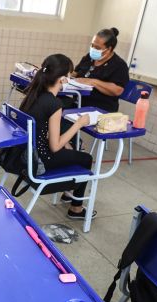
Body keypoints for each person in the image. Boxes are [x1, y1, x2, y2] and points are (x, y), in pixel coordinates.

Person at [20, 54, 97, 220]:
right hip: (42, 159)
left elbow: (43, 129)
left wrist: (65, 142)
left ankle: (68, 194)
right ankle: (76, 208)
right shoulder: (54, 104)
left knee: (71, 149)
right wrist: (79, 124)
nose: (70, 79)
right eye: (69, 75)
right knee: (86, 159)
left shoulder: (34, 94)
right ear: (62, 79)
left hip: (26, 154)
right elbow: (55, 147)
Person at [70, 27, 129, 112]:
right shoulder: (88, 57)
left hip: (100, 109)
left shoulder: (119, 65)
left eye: (97, 48)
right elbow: (74, 74)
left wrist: (93, 82)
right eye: (92, 45)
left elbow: (117, 90)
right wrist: (65, 76)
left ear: (109, 49)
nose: (93, 49)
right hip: (78, 103)